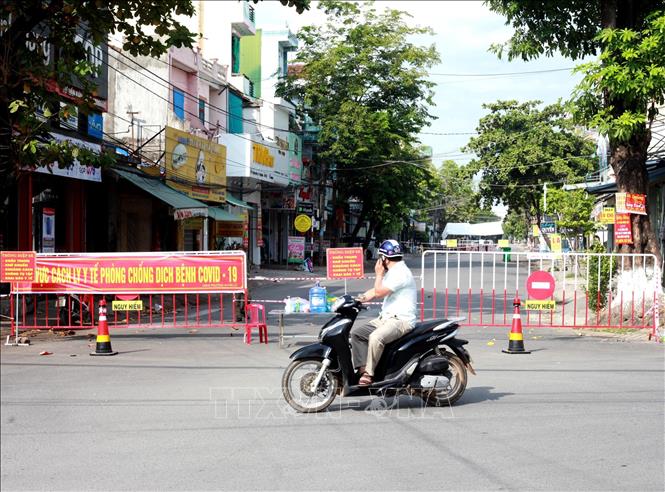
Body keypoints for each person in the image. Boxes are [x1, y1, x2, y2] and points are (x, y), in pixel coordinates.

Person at [351, 239, 417, 386]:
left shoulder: (401, 273)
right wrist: (358, 299)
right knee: (357, 334)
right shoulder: (393, 272)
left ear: (384, 259)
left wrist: (378, 274)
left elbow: (379, 292)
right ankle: (363, 369)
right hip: (386, 318)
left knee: (375, 337)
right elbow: (375, 291)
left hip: (401, 320)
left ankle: (369, 374)